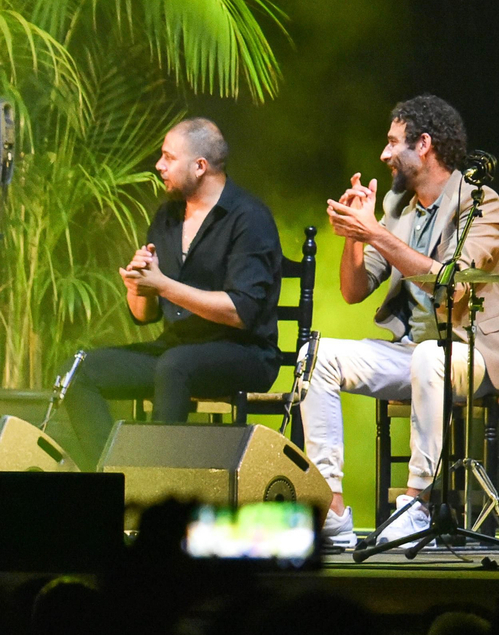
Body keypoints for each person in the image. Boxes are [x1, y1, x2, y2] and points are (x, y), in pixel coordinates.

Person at [303, 94, 499, 548]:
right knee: (317, 355)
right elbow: (354, 291)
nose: (384, 154)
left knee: (430, 356)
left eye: (393, 143)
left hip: (472, 353)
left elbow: (452, 286)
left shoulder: (481, 204)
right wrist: (357, 233)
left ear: (424, 144)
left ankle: (416, 504)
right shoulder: (400, 209)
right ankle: (332, 509)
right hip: (412, 353)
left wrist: (373, 231)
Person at [60, 118, 283, 469]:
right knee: (80, 371)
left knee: (175, 366)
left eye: (168, 157)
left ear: (200, 166)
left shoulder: (248, 218)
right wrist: (140, 285)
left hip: (244, 352)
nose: (159, 166)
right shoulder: (167, 216)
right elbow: (144, 315)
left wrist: (163, 285)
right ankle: (114, 477)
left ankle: (154, 483)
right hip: (176, 350)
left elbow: (240, 311)